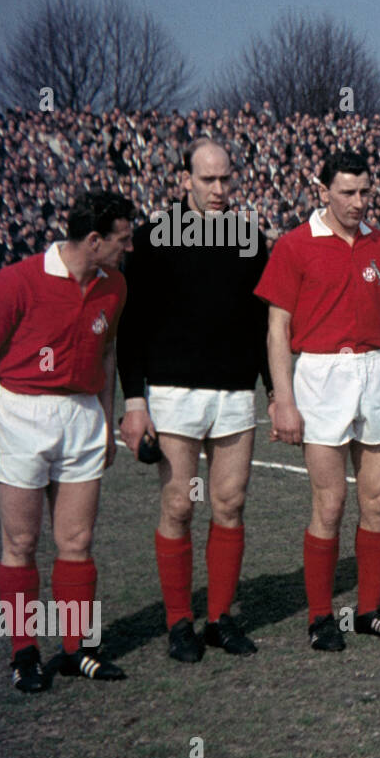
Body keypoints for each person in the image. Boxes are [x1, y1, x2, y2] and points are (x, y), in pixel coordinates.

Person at [255, 151, 380, 651]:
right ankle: (321, 616)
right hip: (320, 374)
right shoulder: (294, 245)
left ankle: (368, 610)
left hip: (374, 373)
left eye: (364, 192)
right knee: (330, 503)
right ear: (322, 191)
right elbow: (277, 329)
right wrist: (283, 398)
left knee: (379, 500)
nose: (357, 202)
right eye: (347, 192)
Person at [117, 138, 269, 662]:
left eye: (226, 179)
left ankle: (219, 619)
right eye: (208, 180)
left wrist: (276, 392)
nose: (220, 190)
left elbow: (262, 325)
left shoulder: (250, 238)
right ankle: (179, 621)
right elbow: (130, 328)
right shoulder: (154, 238)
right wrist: (134, 400)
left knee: (228, 504)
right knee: (180, 505)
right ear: (185, 180)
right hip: (173, 392)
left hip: (233, 393)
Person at [0, 191, 134, 690]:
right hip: (19, 413)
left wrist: (106, 422)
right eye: (122, 239)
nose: (129, 248)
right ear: (93, 240)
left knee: (76, 541)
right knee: (21, 542)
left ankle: (79, 649)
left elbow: (106, 355)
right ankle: (25, 652)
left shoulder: (114, 285)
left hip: (81, 416)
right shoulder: (16, 281)